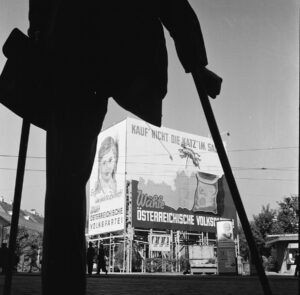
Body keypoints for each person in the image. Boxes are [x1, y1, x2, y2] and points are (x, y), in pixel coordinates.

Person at [25, 1, 222, 294]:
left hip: (75, 51)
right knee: (65, 183)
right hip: (90, 53)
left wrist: (38, 35)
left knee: (63, 183)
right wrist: (196, 60)